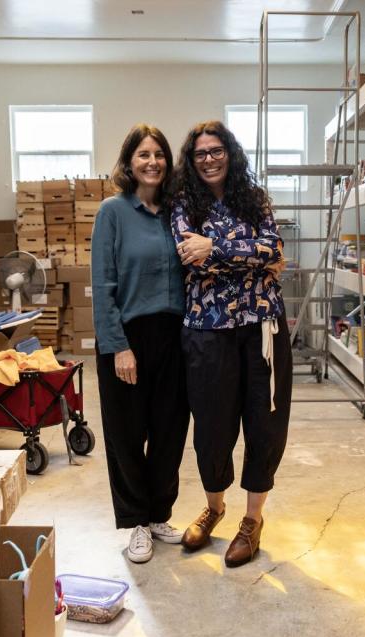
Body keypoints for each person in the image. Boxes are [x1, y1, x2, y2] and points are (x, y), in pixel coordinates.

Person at [170, 120, 293, 568]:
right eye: (200, 153)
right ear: (191, 159)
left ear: (230, 153)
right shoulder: (184, 202)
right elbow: (189, 255)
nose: (208, 159)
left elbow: (273, 249)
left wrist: (215, 248)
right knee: (212, 427)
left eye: (216, 150)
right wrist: (244, 253)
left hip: (262, 327)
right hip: (206, 328)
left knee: (265, 423)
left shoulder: (254, 198)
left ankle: (252, 521)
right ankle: (215, 507)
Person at [91, 124, 189, 564]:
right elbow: (103, 283)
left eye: (160, 155)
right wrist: (118, 346)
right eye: (144, 155)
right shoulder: (112, 212)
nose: (153, 162)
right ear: (129, 162)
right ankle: (134, 522)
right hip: (128, 337)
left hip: (175, 335)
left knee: (170, 432)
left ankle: (158, 514)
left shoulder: (178, 213)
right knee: (128, 435)